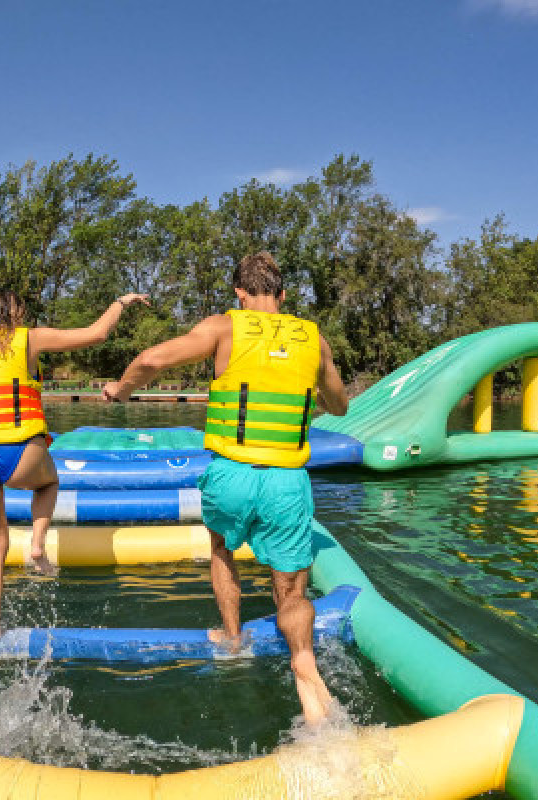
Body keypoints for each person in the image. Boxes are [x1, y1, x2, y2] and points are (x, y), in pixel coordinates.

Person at [103, 252, 349, 725]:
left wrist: (122, 389)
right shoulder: (312, 339)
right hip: (286, 480)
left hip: (232, 472)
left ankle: (232, 637)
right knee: (292, 591)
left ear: (239, 292)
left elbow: (152, 357)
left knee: (221, 547)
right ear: (282, 295)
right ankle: (302, 661)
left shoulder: (223, 327)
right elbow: (338, 404)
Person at [0, 288, 150, 651]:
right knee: (49, 484)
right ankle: (37, 545)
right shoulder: (30, 339)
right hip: (22, 451)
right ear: (17, 312)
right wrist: (122, 302)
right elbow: (96, 333)